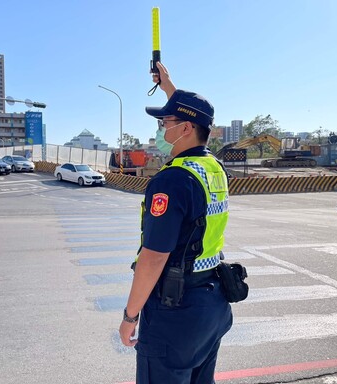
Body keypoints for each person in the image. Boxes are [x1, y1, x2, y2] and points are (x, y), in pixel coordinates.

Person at [119, 62, 232, 384]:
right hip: (212, 303)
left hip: (175, 311)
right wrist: (169, 86)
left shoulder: (172, 180)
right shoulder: (213, 168)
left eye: (165, 122)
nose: (159, 129)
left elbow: (154, 257)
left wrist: (130, 316)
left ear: (184, 128)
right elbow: (198, 116)